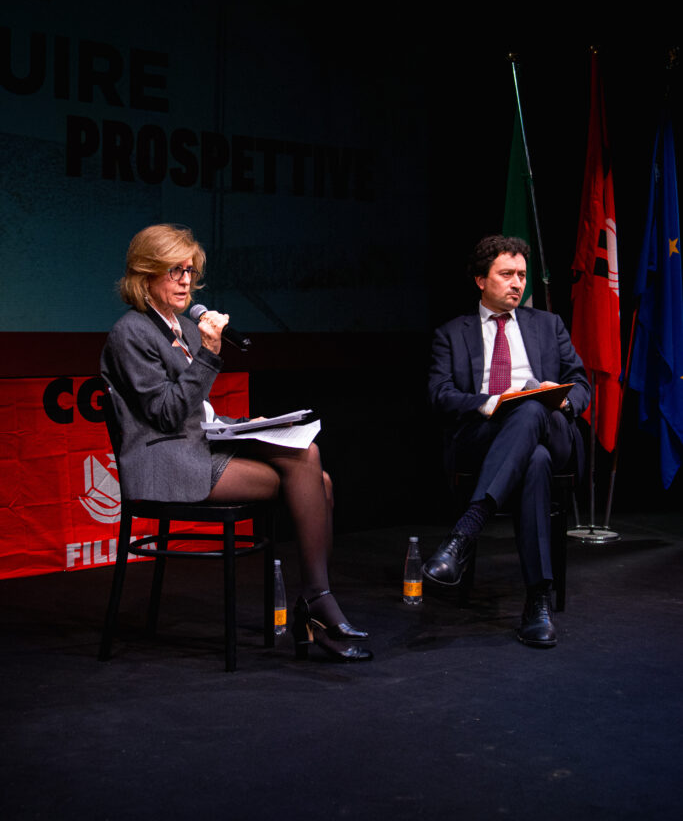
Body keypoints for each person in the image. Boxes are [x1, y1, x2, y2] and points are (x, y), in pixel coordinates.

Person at [100, 223, 372, 663]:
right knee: (312, 476)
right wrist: (209, 353)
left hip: (197, 446)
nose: (185, 281)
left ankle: (317, 602)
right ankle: (317, 605)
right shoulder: (131, 333)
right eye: (174, 271)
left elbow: (196, 413)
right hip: (167, 463)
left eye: (189, 270)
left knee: (312, 464)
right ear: (145, 275)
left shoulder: (182, 328)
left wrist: (246, 425)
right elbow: (167, 414)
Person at [423, 234, 590, 648]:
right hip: (486, 438)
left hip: (554, 429)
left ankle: (465, 532)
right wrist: (489, 403)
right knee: (533, 461)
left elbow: (582, 383)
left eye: (522, 275)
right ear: (481, 280)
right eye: (506, 274)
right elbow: (440, 395)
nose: (517, 283)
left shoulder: (548, 325)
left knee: (532, 409)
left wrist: (560, 399)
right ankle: (538, 601)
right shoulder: (452, 333)